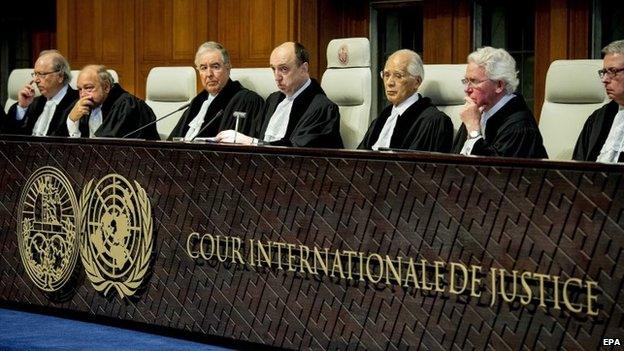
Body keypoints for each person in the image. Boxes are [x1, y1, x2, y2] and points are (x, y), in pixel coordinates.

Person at [215, 42, 343, 148]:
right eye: (273, 69)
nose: (277, 77)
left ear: (304, 69)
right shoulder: (273, 100)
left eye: (283, 69)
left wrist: (251, 143)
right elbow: (258, 136)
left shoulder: (321, 108)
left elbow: (298, 152)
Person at [451, 46, 547, 159]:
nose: (467, 89)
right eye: (466, 81)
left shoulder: (520, 126)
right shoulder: (476, 112)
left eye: (474, 81)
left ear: (499, 85)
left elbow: (493, 173)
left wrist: (473, 131)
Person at [358, 49, 453, 152]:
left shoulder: (434, 121)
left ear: (417, 82)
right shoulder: (381, 119)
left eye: (398, 76)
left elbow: (428, 166)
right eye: (386, 75)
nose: (389, 83)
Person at [168, 41, 264, 141]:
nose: (209, 74)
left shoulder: (247, 101)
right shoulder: (197, 102)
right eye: (203, 68)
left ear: (228, 67)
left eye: (215, 66)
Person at [64, 65, 159, 139]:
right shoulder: (85, 105)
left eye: (88, 88)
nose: (83, 94)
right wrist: (72, 120)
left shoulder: (127, 105)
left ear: (106, 87)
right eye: (80, 89)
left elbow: (106, 147)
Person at [1, 50, 78, 136]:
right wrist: (22, 107)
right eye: (35, 74)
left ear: (60, 76)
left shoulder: (77, 103)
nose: (36, 80)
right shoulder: (34, 103)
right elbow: (9, 135)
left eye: (42, 74)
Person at [573, 40, 624, 163]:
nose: (605, 80)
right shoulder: (597, 119)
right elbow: (576, 167)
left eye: (613, 71)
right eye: (604, 72)